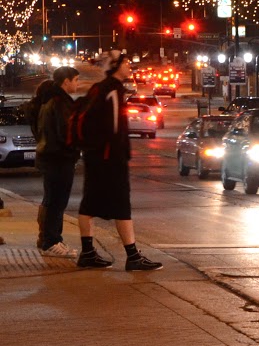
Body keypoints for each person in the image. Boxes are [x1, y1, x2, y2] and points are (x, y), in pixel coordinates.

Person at [76, 53, 163, 271]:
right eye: (126, 63)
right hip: (110, 158)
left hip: (95, 156)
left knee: (89, 203)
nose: (130, 66)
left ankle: (87, 252)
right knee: (122, 206)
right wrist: (118, 156)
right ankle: (133, 256)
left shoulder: (100, 88)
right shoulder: (113, 90)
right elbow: (114, 128)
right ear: (116, 66)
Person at [32, 66, 83, 258]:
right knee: (57, 201)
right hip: (58, 158)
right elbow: (66, 133)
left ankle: (51, 239)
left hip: (51, 157)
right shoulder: (60, 103)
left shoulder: (51, 100)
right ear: (66, 81)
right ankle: (51, 241)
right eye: (76, 80)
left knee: (52, 200)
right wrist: (75, 150)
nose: (77, 84)